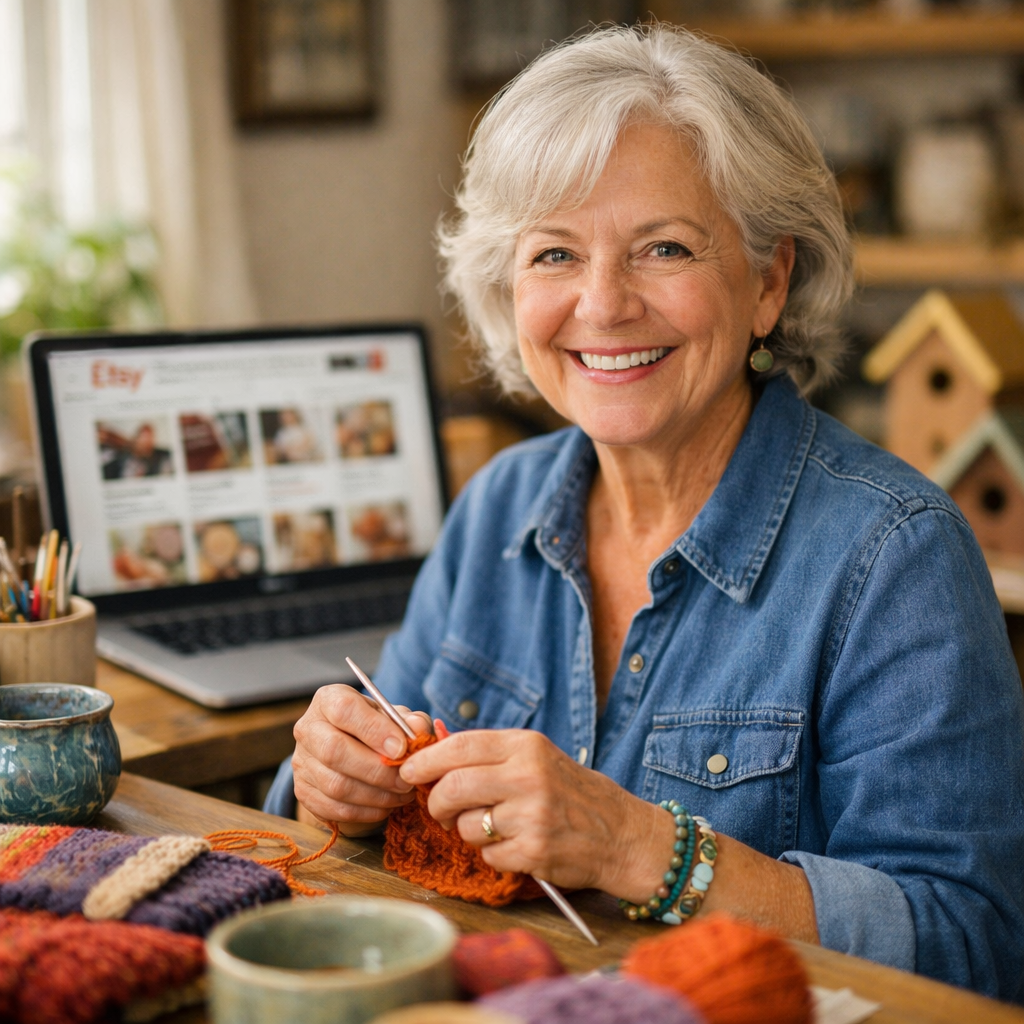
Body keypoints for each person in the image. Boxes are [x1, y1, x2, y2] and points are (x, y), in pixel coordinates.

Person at [264, 25, 1024, 1000]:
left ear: (767, 280)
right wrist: (337, 787)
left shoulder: (893, 555)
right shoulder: (497, 499)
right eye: (553, 254)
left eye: (662, 247)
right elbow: (345, 832)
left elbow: (975, 949)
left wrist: (643, 847)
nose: (602, 303)